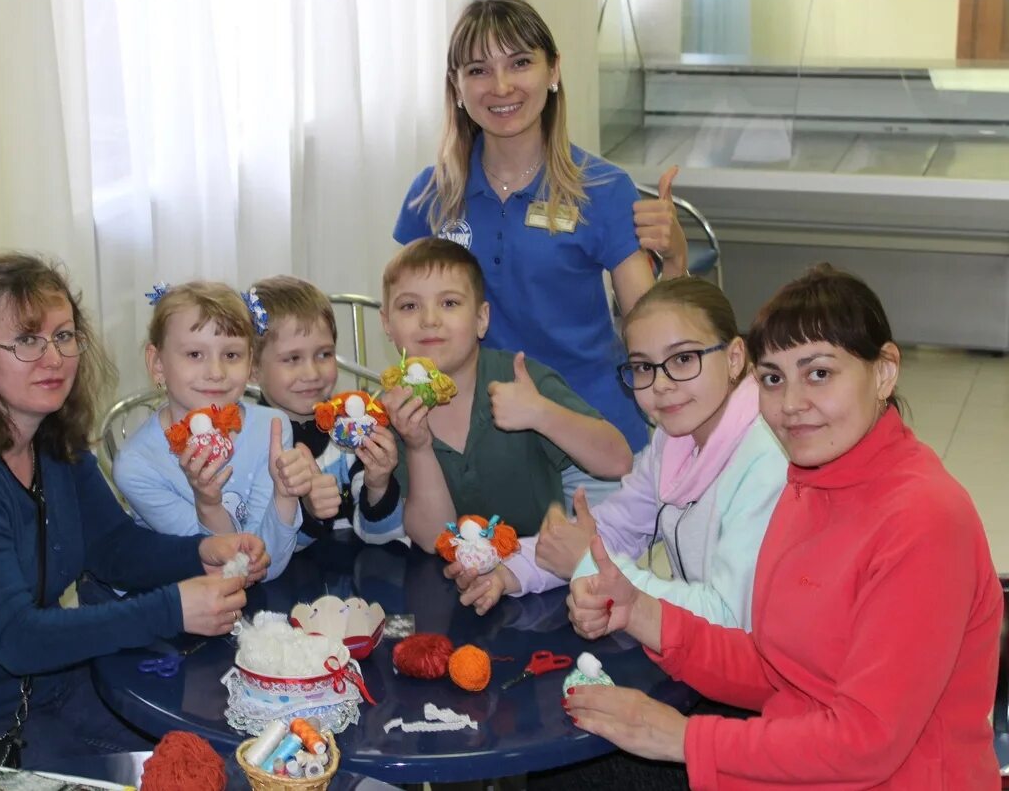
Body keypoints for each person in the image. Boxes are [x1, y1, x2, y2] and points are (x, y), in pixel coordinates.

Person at [564, 265, 1002, 789]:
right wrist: (640, 611)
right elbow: (779, 668)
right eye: (773, 378)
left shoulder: (924, 520)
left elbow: (866, 743)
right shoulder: (809, 485)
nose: (791, 405)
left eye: (819, 373)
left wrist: (684, 739)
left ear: (884, 372)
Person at [0, 254, 265, 773]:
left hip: (51, 700)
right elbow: (19, 639)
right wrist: (172, 608)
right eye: (27, 340)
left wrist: (202, 552)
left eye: (64, 336)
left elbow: (114, 548)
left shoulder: (50, 443)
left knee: (227, 760)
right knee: (203, 773)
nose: (53, 357)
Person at [394, 0, 688, 461]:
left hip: (595, 437)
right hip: (479, 444)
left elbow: (652, 331)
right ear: (456, 85)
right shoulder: (430, 196)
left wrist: (674, 261)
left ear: (553, 71)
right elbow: (409, 327)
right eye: (478, 70)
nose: (501, 85)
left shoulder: (605, 189)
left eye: (520, 63)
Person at [450, 277, 786, 633]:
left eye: (684, 359)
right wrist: (508, 569)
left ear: (734, 358)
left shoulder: (767, 462)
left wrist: (589, 564)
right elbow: (615, 528)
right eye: (643, 367)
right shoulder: (675, 438)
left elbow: (728, 617)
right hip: (699, 658)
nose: (661, 384)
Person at [380, 237, 632, 547]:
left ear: (481, 319)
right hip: (449, 578)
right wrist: (418, 446)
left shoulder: (521, 379)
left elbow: (618, 461)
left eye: (449, 303)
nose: (429, 319)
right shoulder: (391, 411)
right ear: (387, 324)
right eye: (409, 306)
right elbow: (435, 540)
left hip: (541, 574)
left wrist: (541, 413)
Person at [113, 281, 310, 580]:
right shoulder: (137, 466)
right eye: (195, 354)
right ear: (157, 364)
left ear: (250, 362)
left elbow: (265, 568)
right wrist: (209, 504)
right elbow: (227, 570)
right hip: (172, 607)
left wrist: (285, 497)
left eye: (231, 355)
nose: (216, 373)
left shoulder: (270, 428)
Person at [249, 275, 405, 546]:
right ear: (253, 369)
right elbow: (259, 553)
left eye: (324, 354)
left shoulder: (349, 431)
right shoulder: (247, 445)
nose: (312, 373)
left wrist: (378, 484)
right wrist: (307, 512)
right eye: (292, 359)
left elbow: (383, 537)